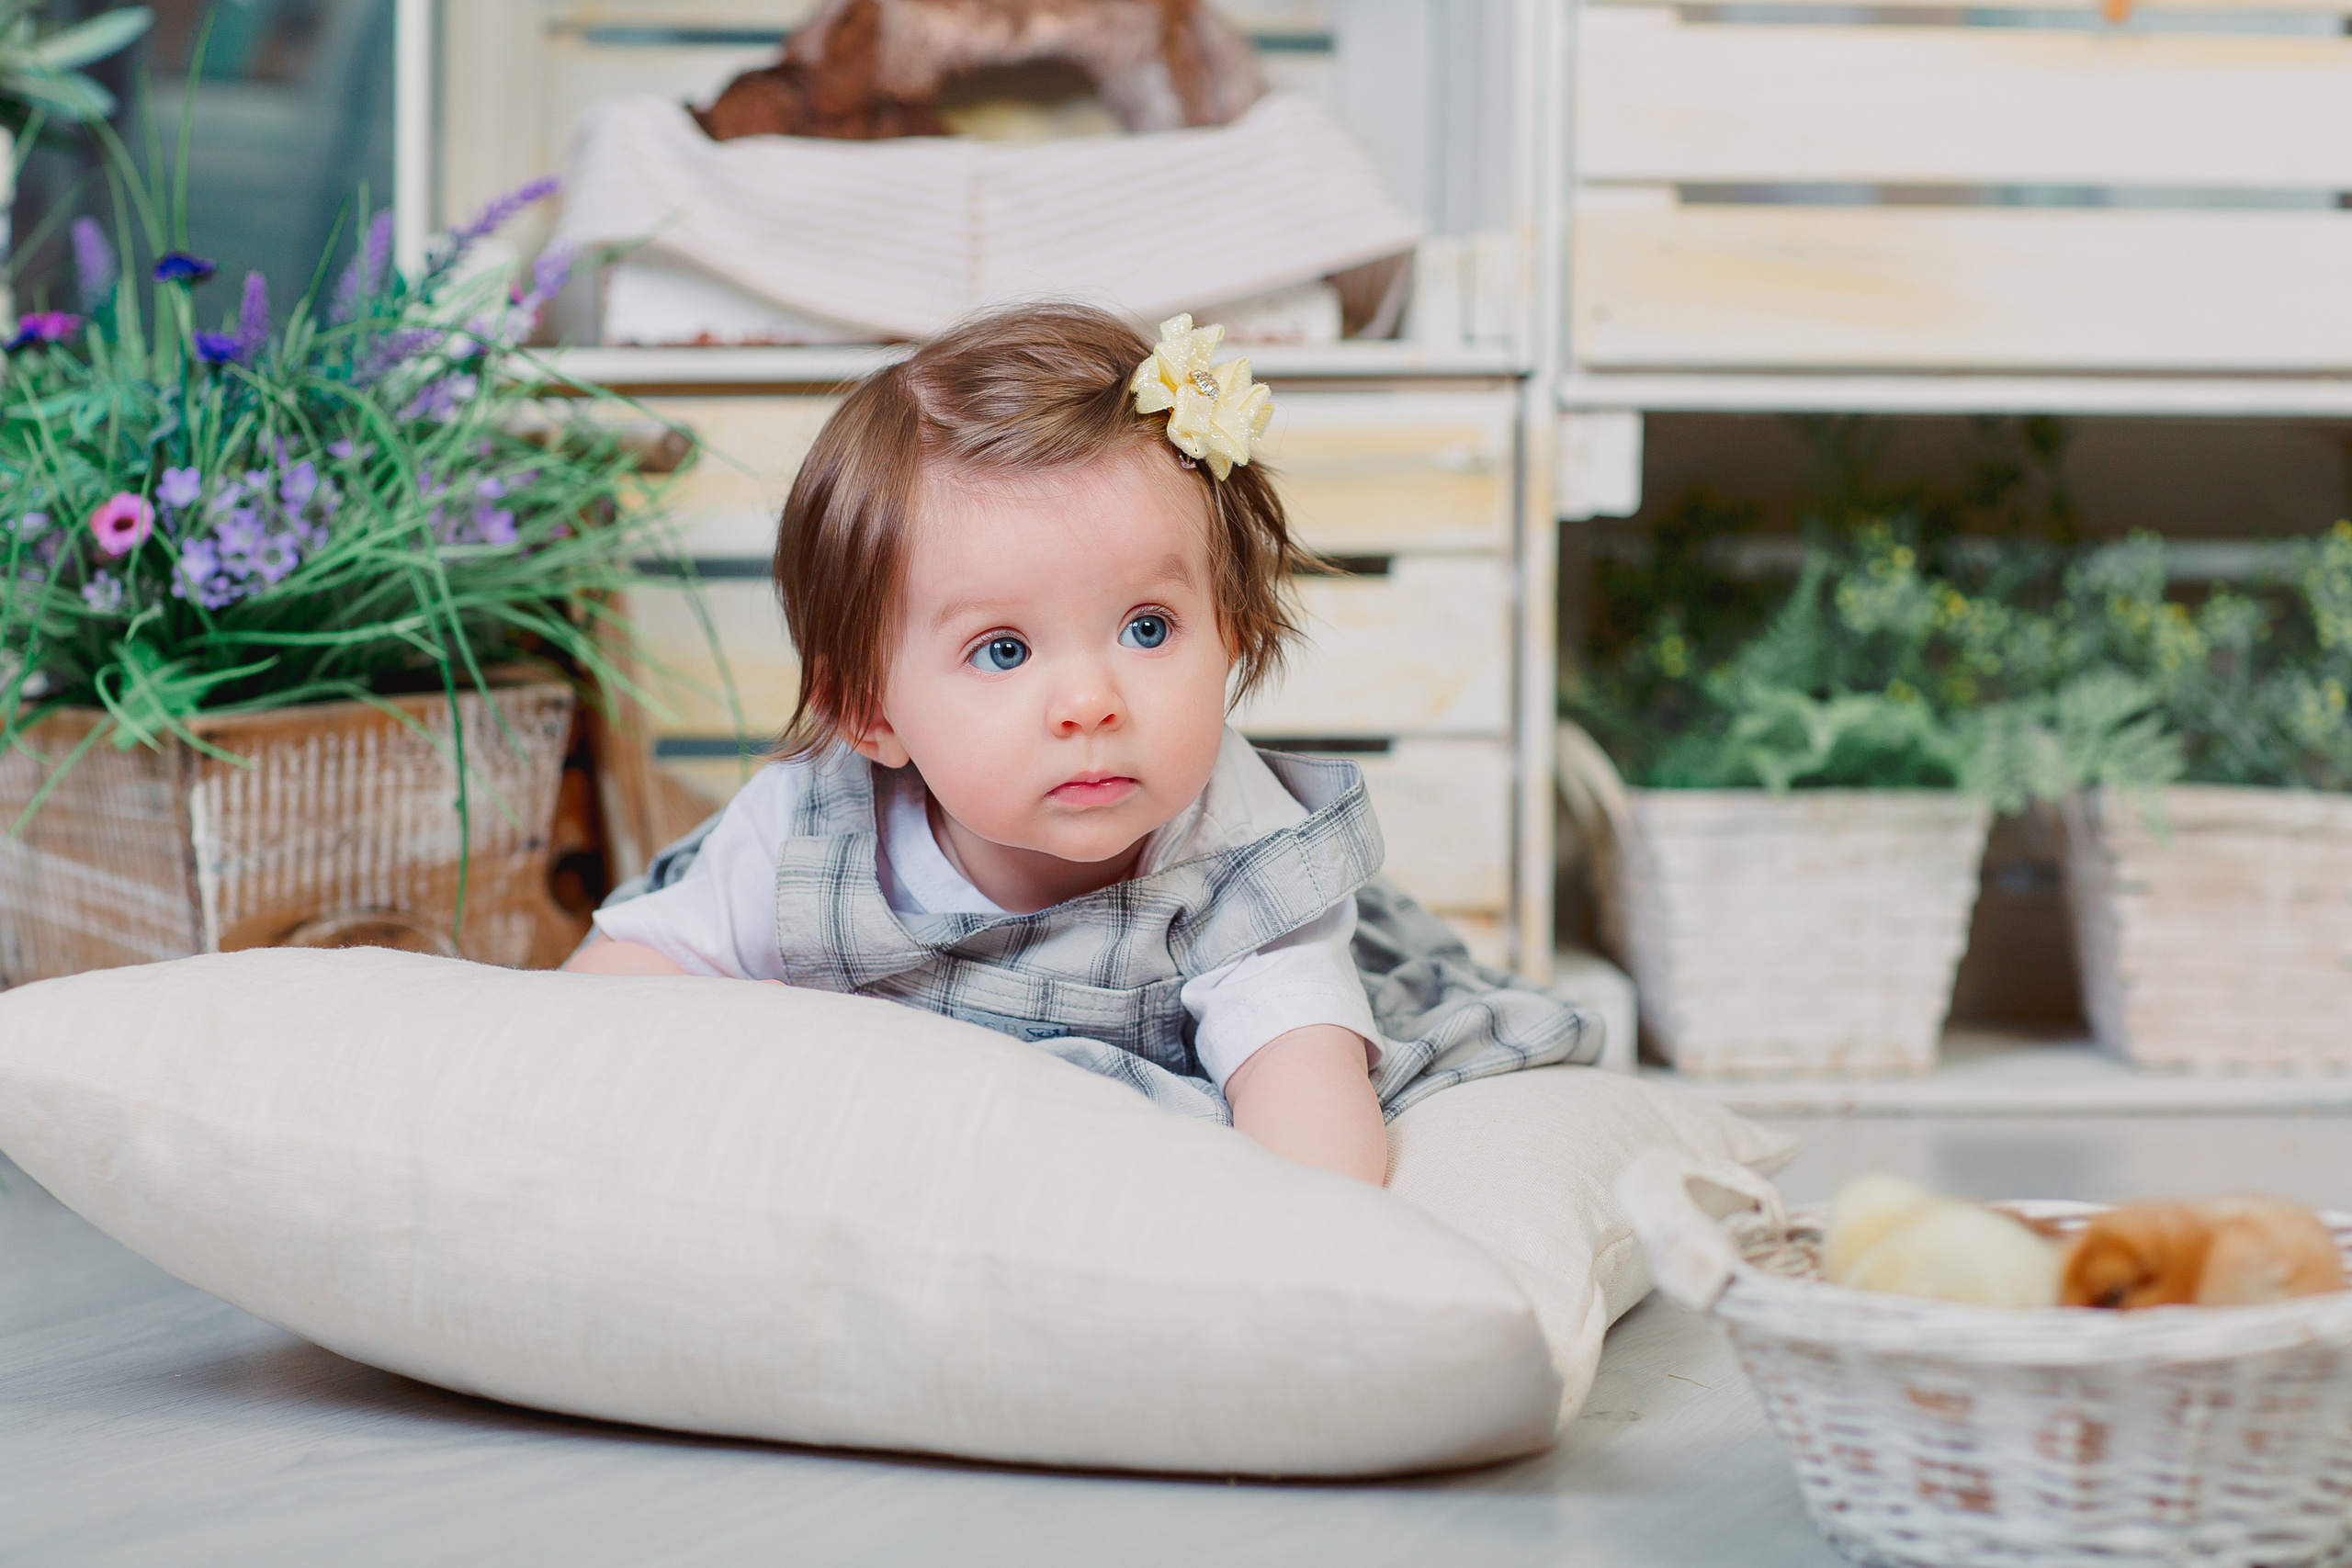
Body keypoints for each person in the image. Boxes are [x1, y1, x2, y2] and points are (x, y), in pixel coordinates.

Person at [566, 303, 1598, 1182]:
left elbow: (1310, 1122)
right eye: (1003, 649)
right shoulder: (807, 833)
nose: (1090, 702)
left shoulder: (1240, 861)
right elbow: (620, 986)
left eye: (1148, 629)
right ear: (871, 714)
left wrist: (1300, 1257)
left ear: (1232, 630)